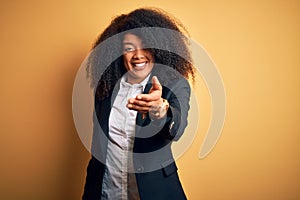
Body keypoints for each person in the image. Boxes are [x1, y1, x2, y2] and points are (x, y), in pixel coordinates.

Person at [83, 7, 195, 200]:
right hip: (106, 191)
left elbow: (177, 127)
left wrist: (160, 111)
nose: (138, 55)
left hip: (155, 191)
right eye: (129, 48)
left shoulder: (174, 84)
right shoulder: (106, 88)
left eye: (146, 46)